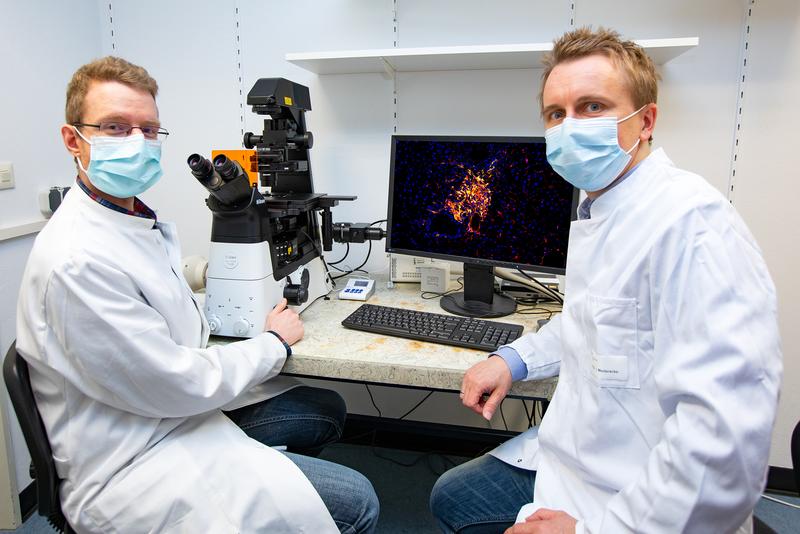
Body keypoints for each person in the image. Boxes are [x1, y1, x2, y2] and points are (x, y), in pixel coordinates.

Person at [430, 27, 782, 534]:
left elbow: (722, 447)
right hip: (578, 460)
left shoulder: (693, 225)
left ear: (646, 121)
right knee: (452, 496)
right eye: (556, 114)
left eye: (592, 106)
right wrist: (512, 359)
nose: (570, 127)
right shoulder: (601, 205)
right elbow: (592, 320)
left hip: (643, 500)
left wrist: (590, 531)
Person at [16, 56, 379, 533]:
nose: (137, 142)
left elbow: (146, 285)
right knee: (357, 502)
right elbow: (175, 383)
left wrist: (201, 275)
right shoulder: (75, 258)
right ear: (73, 140)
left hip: (166, 415)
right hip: (134, 459)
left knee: (323, 408)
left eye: (148, 130)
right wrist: (274, 344)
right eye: (114, 127)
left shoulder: (124, 218)